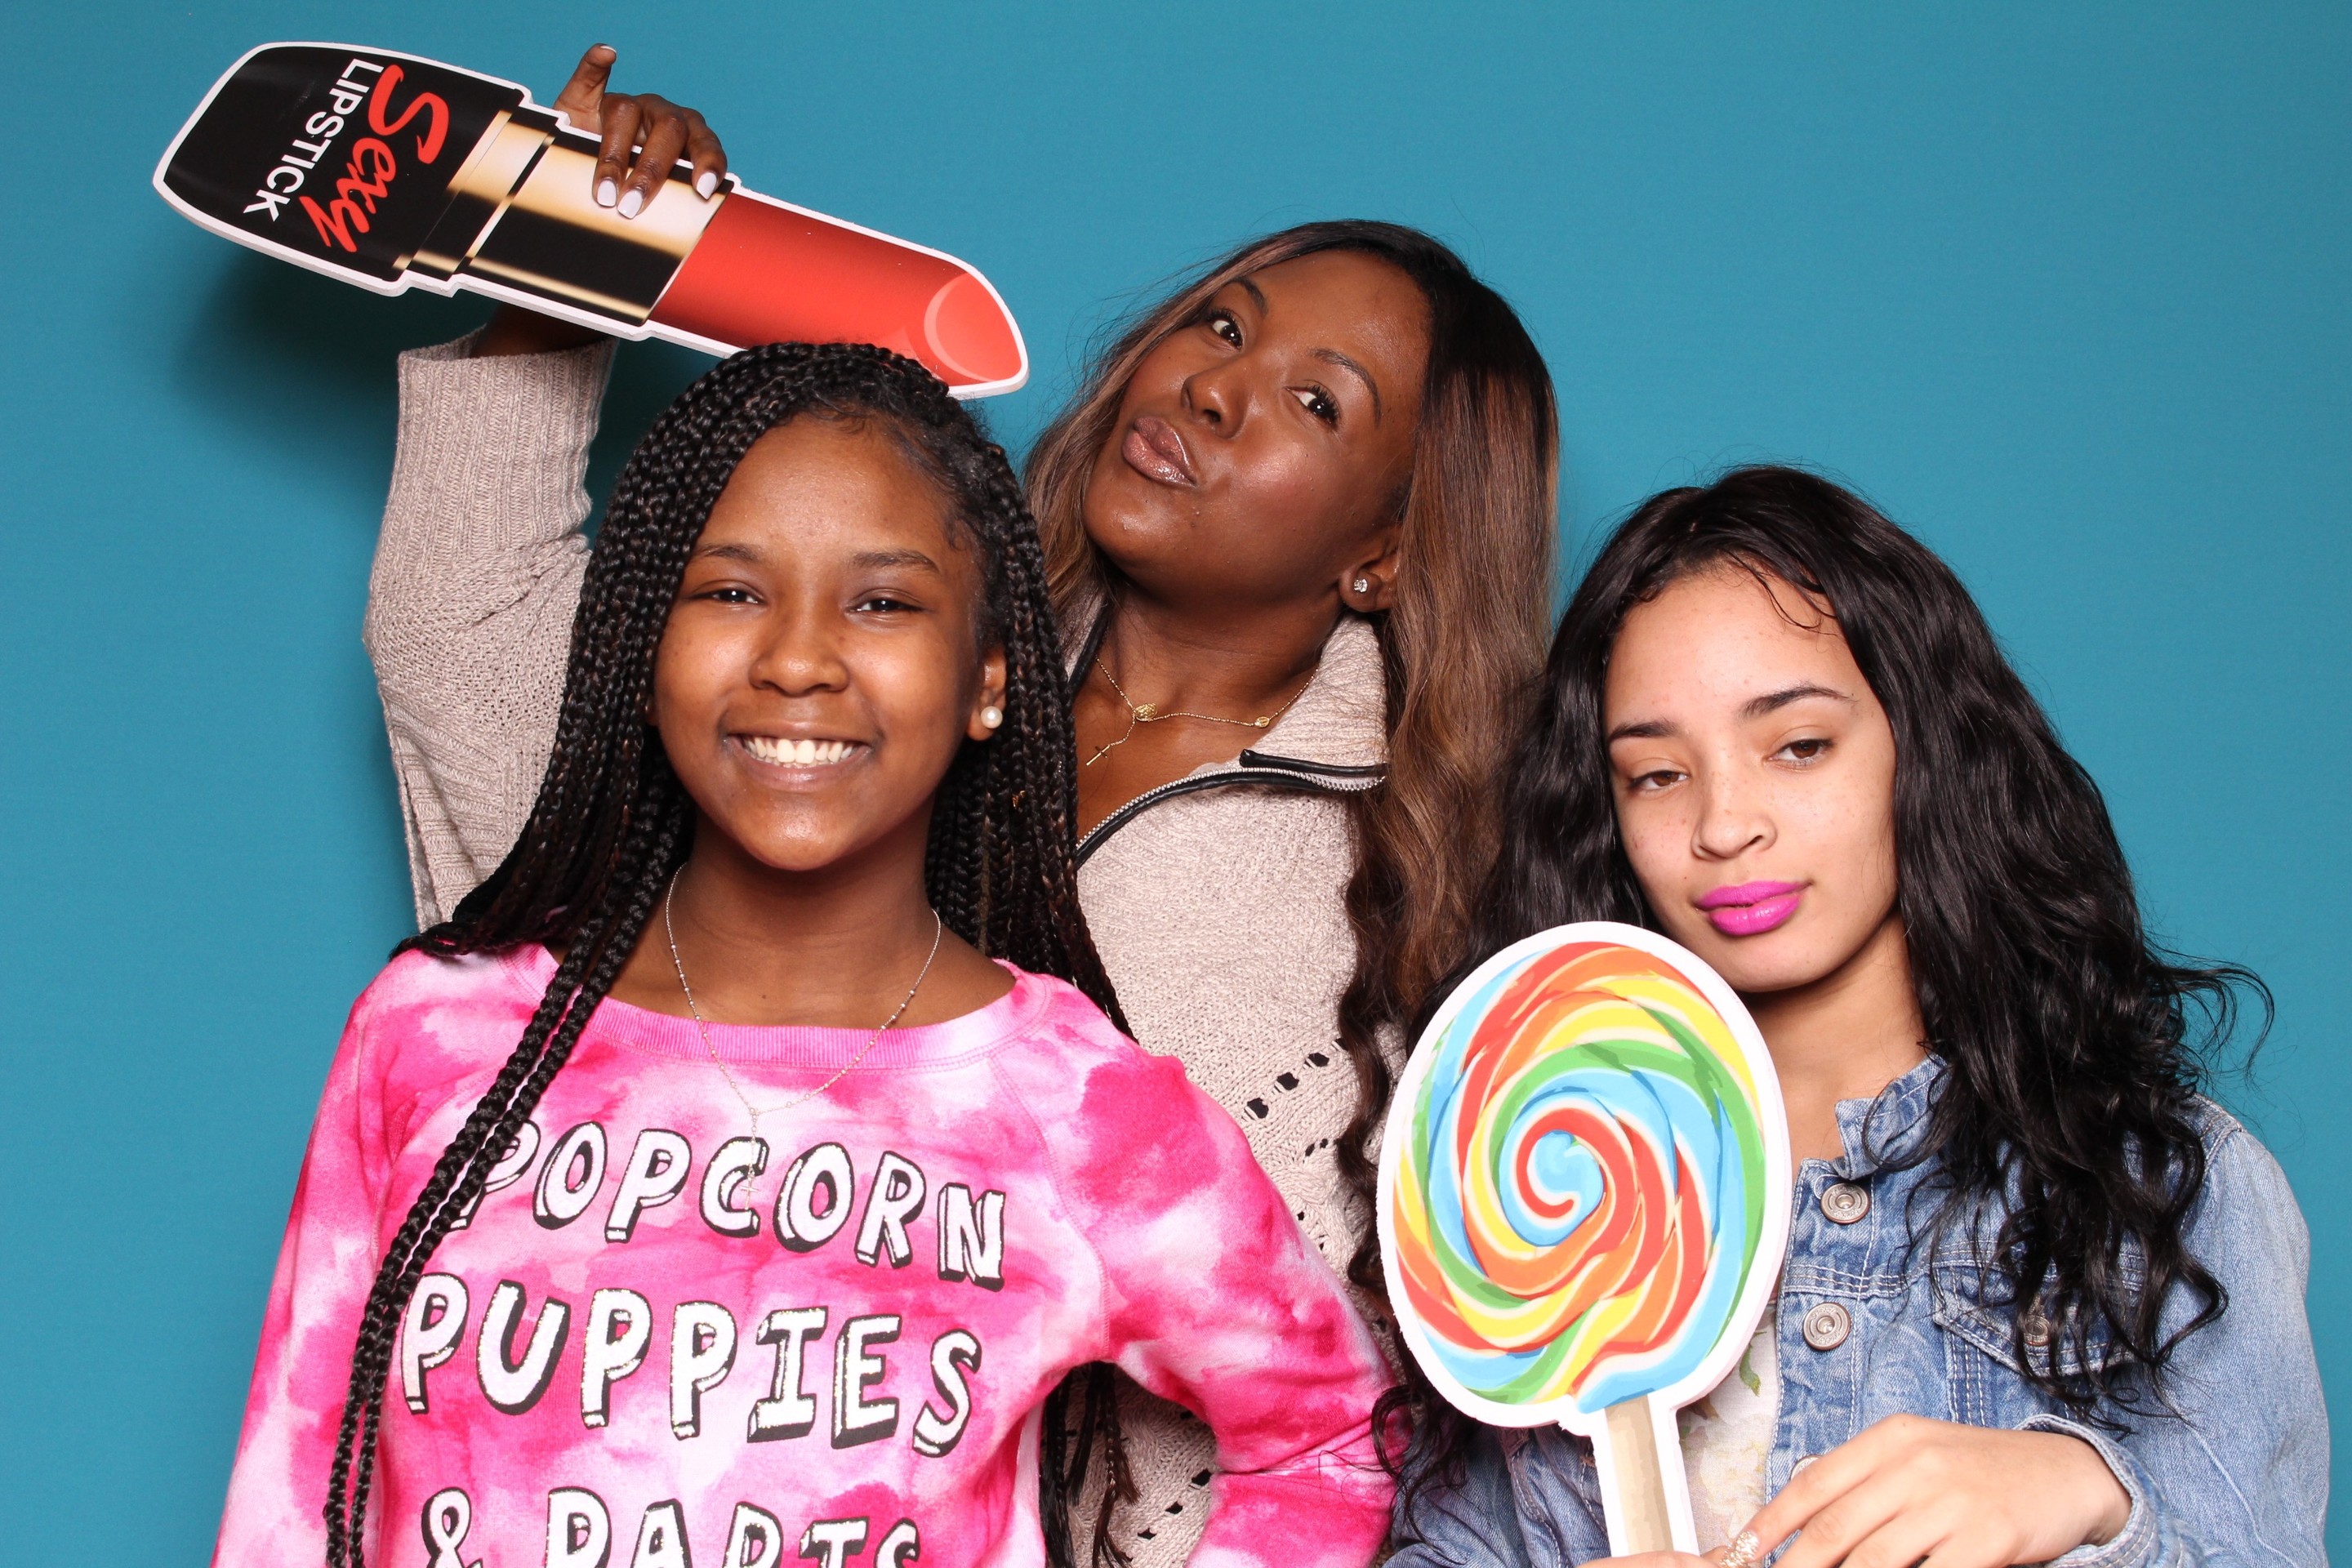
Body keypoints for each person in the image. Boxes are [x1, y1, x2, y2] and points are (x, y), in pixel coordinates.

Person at [363, 44, 1559, 1561]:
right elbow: (461, 642)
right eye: (1219, 323)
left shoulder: (1413, 887)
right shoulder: (870, 670)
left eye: (1313, 402)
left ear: (1386, 550)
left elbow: (1335, 1406)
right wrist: (573, 264)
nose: (1211, 386)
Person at [212, 345, 1395, 1568]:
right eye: (731, 593)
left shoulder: (1076, 1108)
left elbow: (1334, 1438)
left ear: (988, 677)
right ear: (643, 649)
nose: (795, 659)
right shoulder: (437, 1032)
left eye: (882, 604)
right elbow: (292, 1502)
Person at [1388, 467, 2326, 1568]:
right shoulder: (1520, 1189)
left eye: (1799, 746)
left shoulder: (2169, 1191)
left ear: (1921, 747)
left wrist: (2095, 1503)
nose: (1724, 825)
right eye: (1656, 774)